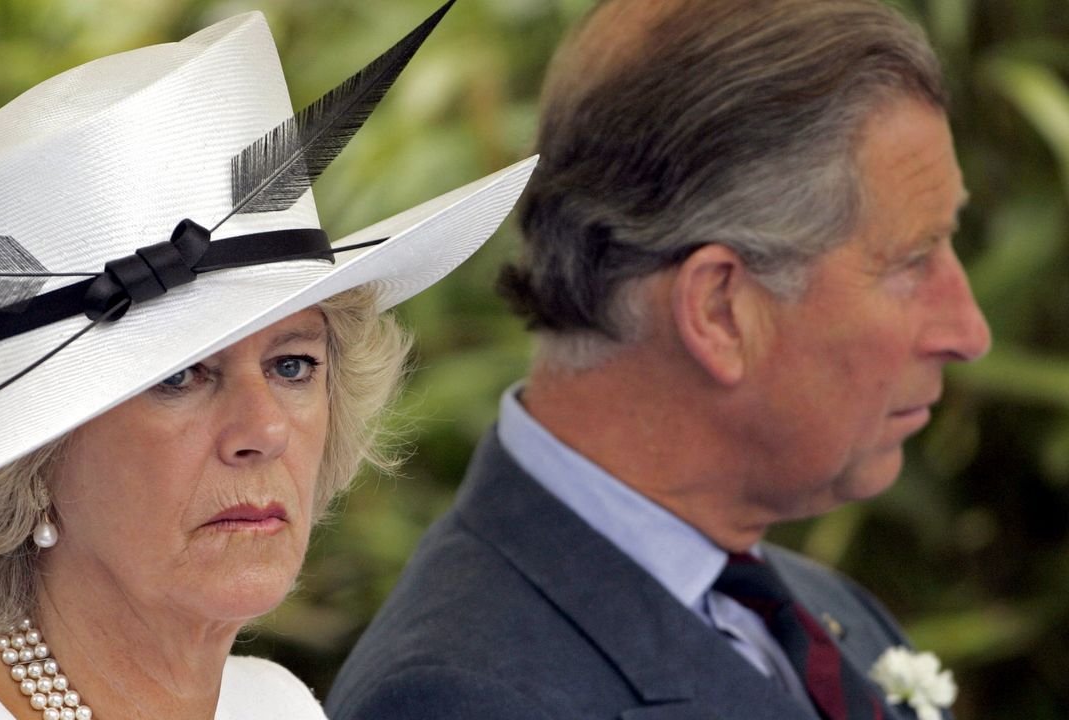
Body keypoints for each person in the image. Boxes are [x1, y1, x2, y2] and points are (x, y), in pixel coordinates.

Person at [0, 4, 537, 718]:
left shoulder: (270, 705)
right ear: (32, 462)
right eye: (181, 376)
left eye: (292, 366)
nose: (263, 430)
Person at [327, 1, 988, 719]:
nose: (968, 331)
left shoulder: (826, 616)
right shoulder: (462, 697)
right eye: (913, 261)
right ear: (720, 310)